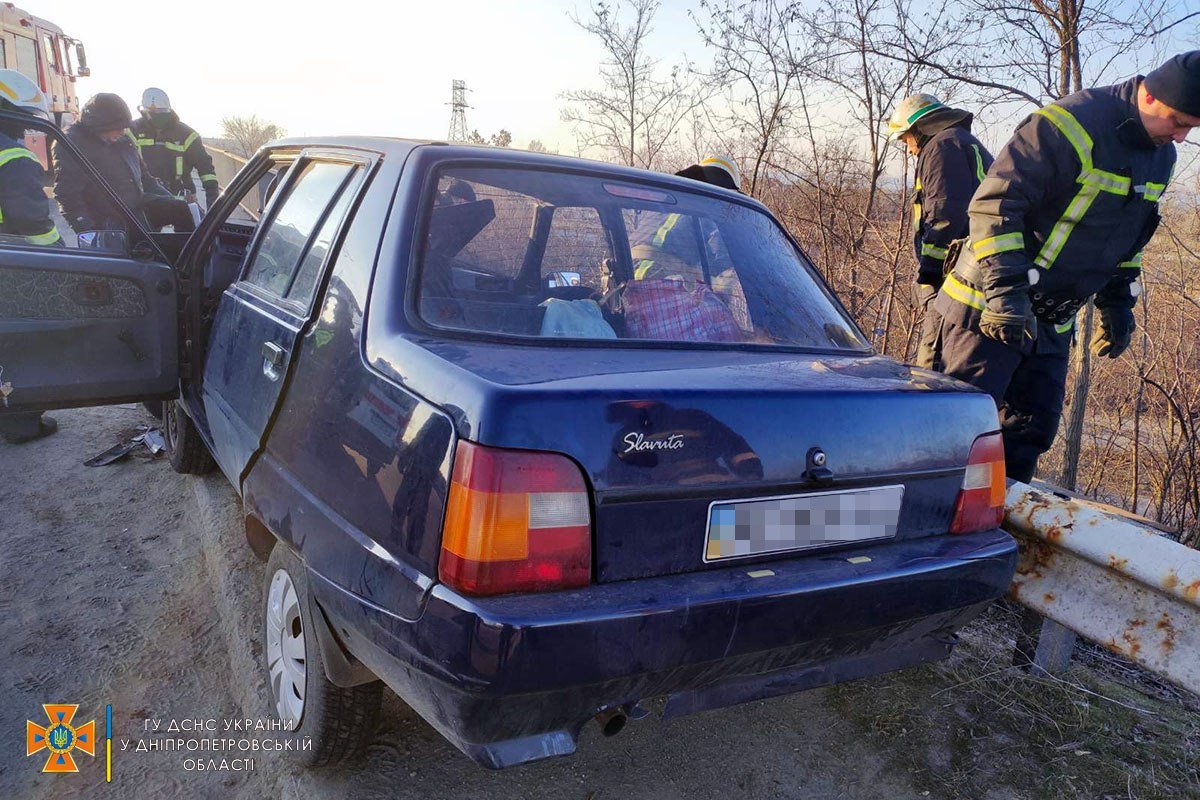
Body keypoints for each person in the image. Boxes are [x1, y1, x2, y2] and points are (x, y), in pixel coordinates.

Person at [925, 51, 1200, 482]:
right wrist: (1005, 294)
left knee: (1024, 441)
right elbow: (995, 206)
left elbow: (1130, 236)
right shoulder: (1069, 124)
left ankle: (1000, 543)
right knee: (949, 439)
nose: (1181, 138)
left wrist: (1117, 302)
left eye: (1191, 128)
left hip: (1050, 324)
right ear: (1149, 96)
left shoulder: (1161, 157)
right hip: (984, 310)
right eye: (1178, 121)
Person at [887, 94, 993, 368]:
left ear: (920, 128)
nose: (909, 149)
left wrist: (931, 270)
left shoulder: (942, 147)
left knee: (933, 366)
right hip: (979, 276)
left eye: (906, 139)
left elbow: (945, 213)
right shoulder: (961, 142)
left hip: (955, 278)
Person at [0, 69, 61, 443]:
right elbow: (32, 221)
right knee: (18, 342)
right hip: (11, 263)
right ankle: (21, 422)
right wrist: (59, 257)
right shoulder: (12, 154)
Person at [54, 93, 194, 236]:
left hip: (136, 207)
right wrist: (89, 234)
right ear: (99, 125)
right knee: (144, 252)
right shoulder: (72, 144)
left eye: (124, 127)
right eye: (118, 127)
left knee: (180, 209)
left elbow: (146, 179)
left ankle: (190, 256)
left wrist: (170, 199)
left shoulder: (123, 140)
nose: (122, 131)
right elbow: (67, 196)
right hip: (109, 220)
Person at [128, 88, 219, 209]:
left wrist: (213, 202)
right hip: (146, 197)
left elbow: (205, 168)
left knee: (194, 226)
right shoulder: (131, 131)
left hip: (181, 197)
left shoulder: (186, 135)